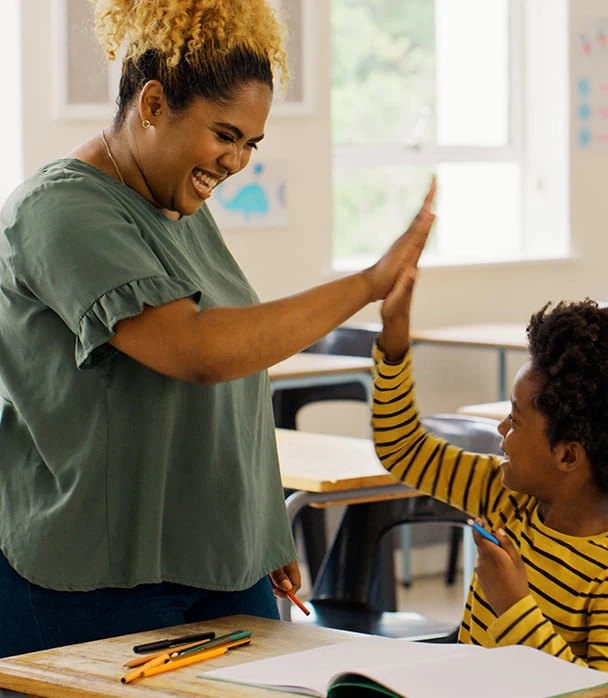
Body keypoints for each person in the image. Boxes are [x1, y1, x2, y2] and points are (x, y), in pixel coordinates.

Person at [0, 0, 434, 657]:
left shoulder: (177, 205)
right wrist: (366, 285)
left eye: (251, 144)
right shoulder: (59, 210)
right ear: (152, 105)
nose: (237, 162)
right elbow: (198, 350)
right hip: (91, 579)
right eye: (224, 134)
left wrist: (261, 531)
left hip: (217, 565)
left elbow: (237, 373)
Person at [371, 265, 608, 679]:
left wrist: (514, 607)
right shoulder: (505, 498)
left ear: (567, 456)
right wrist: (394, 340)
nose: (501, 430)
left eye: (515, 419)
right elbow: (403, 450)